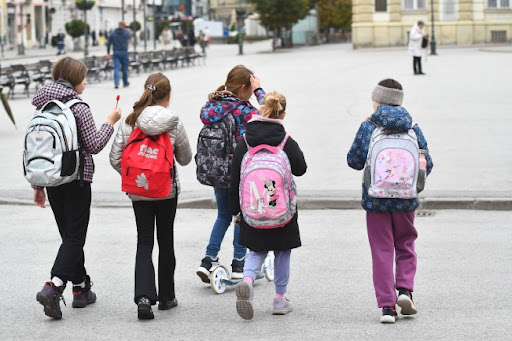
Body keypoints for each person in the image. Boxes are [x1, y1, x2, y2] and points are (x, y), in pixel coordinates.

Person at [32, 56, 122, 320]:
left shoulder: (43, 105)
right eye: (83, 77)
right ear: (74, 79)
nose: (86, 81)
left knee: (70, 236)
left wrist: (38, 184)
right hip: (77, 178)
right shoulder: (78, 106)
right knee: (75, 237)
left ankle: (81, 289)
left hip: (51, 180)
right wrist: (110, 122)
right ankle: (55, 286)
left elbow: (39, 147)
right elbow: (93, 145)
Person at [347, 78, 434, 323]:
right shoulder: (413, 129)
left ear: (377, 101)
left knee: (381, 250)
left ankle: (387, 307)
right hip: (406, 199)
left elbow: (353, 161)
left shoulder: (368, 127)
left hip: (376, 200)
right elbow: (429, 164)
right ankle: (405, 291)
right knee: (406, 245)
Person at [109, 72, 192, 320]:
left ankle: (144, 297)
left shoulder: (128, 122)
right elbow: (185, 159)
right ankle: (167, 297)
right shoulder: (173, 122)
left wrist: (137, 176)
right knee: (166, 240)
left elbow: (115, 159)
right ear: (167, 96)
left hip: (138, 192)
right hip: (166, 191)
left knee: (144, 241)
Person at [229, 91, 307, 320]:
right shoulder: (285, 140)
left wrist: (236, 210)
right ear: (282, 114)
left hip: (253, 209)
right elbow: (301, 169)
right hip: (282, 212)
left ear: (261, 111)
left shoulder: (244, 140)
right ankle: (280, 299)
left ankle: (247, 281)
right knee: (282, 252)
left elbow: (235, 179)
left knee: (256, 251)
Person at [196, 65, 266, 282]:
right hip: (239, 171)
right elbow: (270, 114)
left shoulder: (212, 106)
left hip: (216, 170)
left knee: (223, 215)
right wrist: (259, 91)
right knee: (240, 217)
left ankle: (208, 260)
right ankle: (239, 262)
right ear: (244, 87)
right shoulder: (244, 110)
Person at [107, 21, 131, 89]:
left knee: (116, 68)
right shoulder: (126, 32)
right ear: (124, 26)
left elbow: (108, 43)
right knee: (125, 69)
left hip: (116, 52)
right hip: (124, 52)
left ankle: (116, 83)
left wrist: (108, 52)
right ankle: (125, 83)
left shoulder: (113, 33)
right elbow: (130, 36)